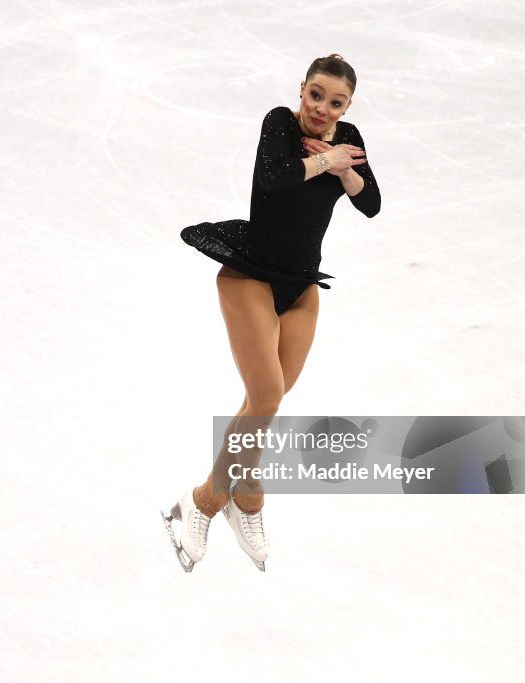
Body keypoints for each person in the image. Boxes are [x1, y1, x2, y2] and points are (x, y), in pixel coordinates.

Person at [162, 54, 382, 571]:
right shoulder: (279, 123)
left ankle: (244, 493)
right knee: (265, 395)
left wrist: (343, 165)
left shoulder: (348, 137)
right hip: (250, 273)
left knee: (270, 398)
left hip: (301, 286)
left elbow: (370, 203)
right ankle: (209, 499)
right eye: (316, 96)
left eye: (336, 102)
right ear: (301, 89)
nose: (323, 109)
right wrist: (327, 161)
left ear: (348, 105)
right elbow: (276, 177)